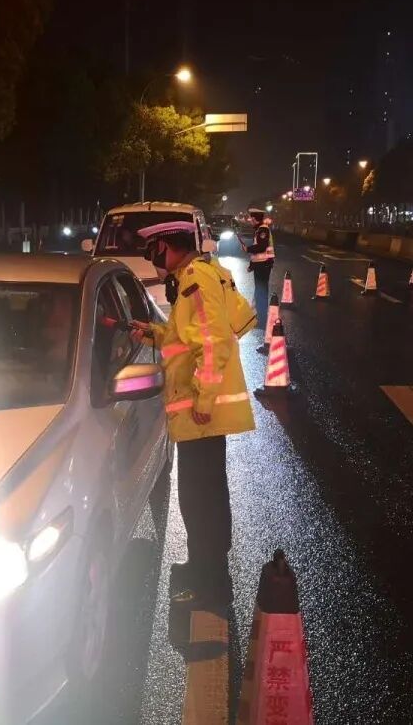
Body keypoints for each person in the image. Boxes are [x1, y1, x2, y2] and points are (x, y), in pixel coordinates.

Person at [131, 220, 256, 607]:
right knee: (205, 495)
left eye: (154, 251)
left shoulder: (195, 280)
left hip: (203, 414)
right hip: (201, 415)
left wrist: (203, 400)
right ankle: (207, 569)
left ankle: (210, 584)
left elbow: (214, 343)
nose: (152, 260)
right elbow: (186, 337)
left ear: (168, 247)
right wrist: (152, 332)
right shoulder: (197, 275)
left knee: (201, 500)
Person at [239, 208, 275, 329]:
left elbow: (261, 247)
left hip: (263, 265)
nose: (250, 220)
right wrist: (252, 265)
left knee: (261, 292)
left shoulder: (263, 230)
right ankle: (259, 317)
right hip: (261, 264)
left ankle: (262, 320)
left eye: (251, 218)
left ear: (254, 219)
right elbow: (258, 252)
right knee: (260, 291)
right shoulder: (259, 230)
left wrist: (248, 249)